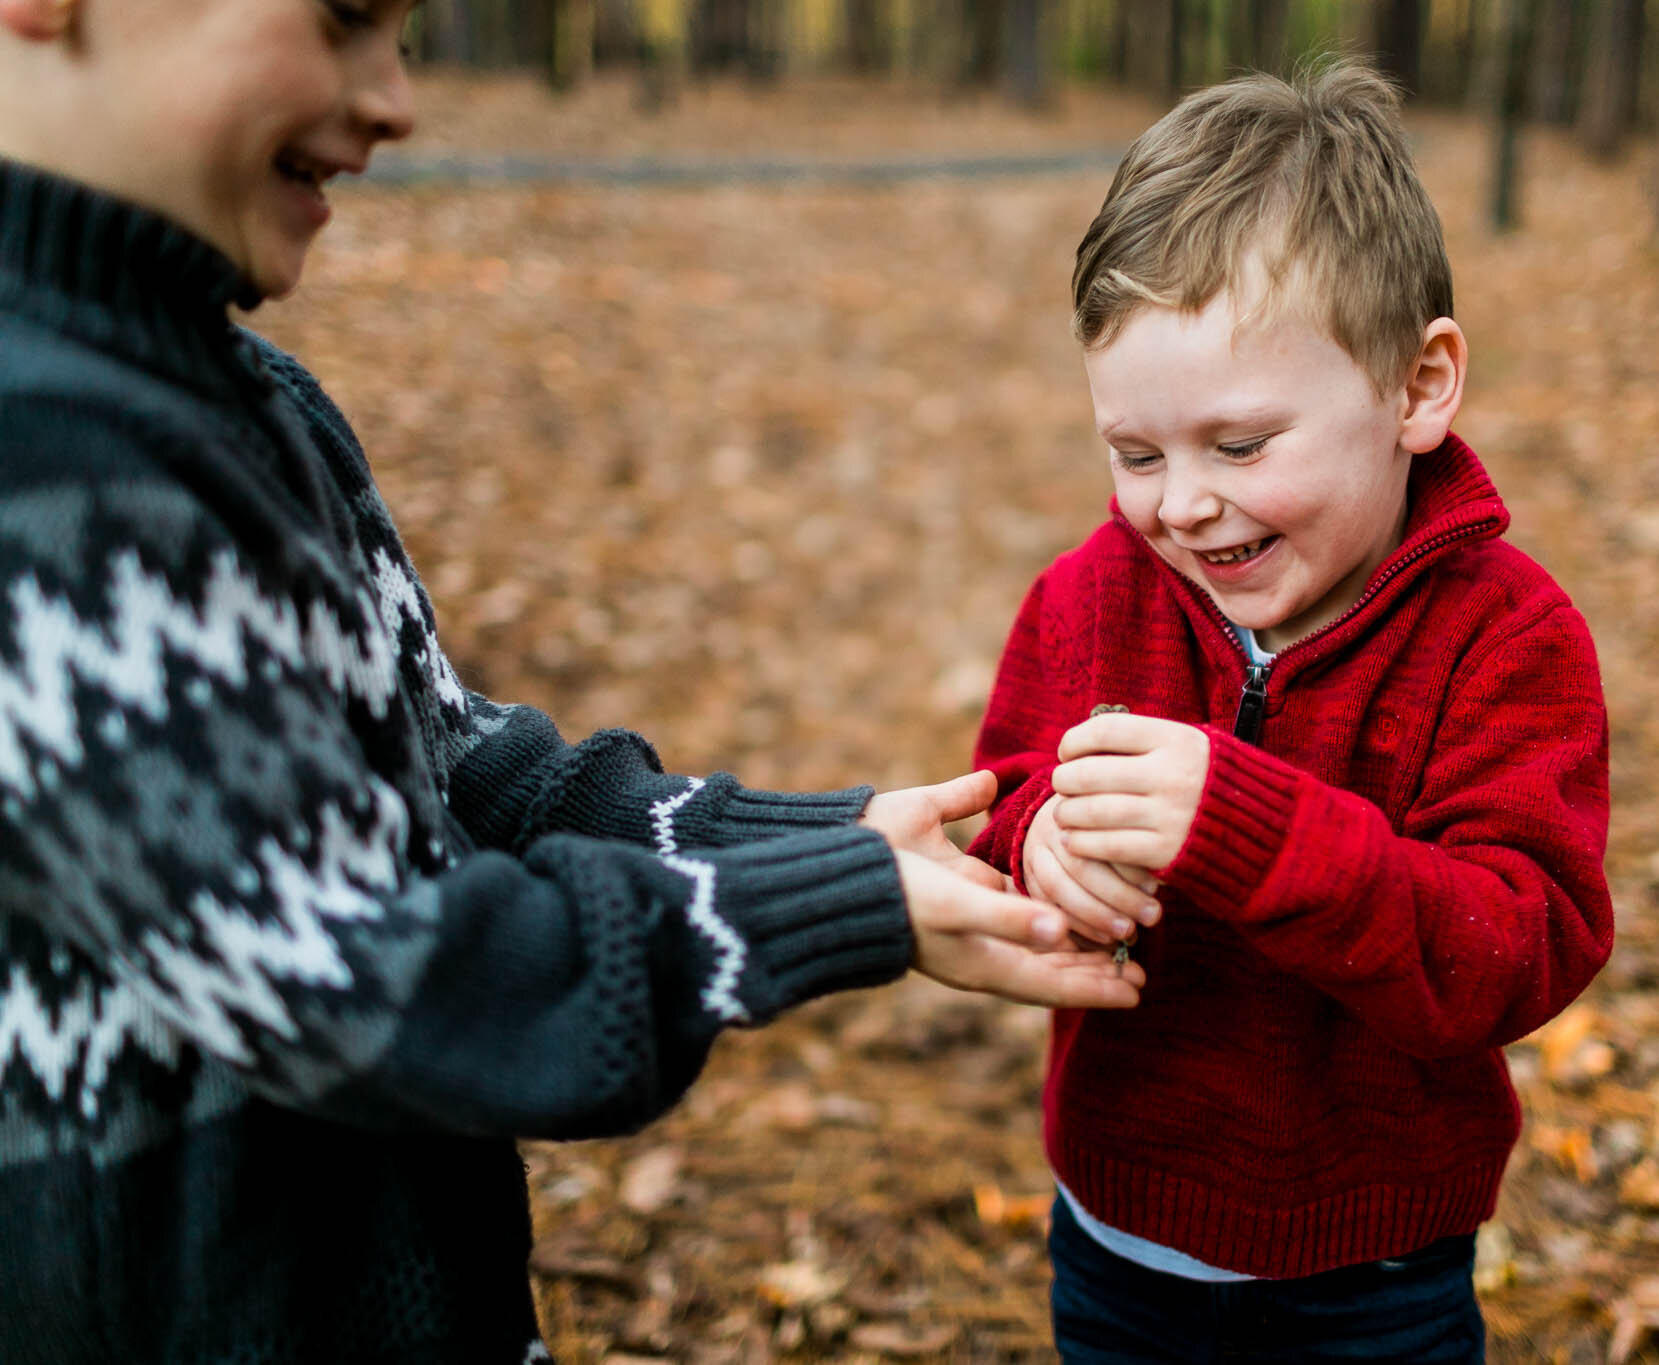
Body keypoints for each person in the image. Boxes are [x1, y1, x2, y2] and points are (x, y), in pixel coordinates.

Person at [0, 0, 1143, 1360]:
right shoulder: (43, 471)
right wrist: (823, 905)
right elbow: (373, 972)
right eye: (346, 17)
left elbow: (462, 766)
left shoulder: (255, 405)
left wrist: (818, 840)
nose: (395, 99)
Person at [968, 60, 1613, 1362]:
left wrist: (1255, 829)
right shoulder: (1094, 601)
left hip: (1374, 1270)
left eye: (1242, 444)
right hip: (1119, 1236)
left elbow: (1518, 943)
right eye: (1136, 454)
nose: (1185, 504)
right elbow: (997, 803)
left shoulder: (1505, 639)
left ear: (1419, 387)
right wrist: (1037, 846)